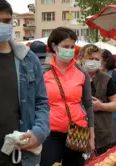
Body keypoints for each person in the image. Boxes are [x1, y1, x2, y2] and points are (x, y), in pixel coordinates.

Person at [0, 1, 50, 165]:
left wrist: (39, 132)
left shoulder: (28, 59)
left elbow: (41, 102)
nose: (1, 25)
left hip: (22, 157)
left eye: (6, 21)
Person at [41, 27, 94, 166]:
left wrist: (91, 135)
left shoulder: (82, 72)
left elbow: (88, 104)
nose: (70, 50)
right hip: (50, 132)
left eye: (72, 47)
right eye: (66, 46)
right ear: (54, 46)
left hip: (78, 130)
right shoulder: (43, 72)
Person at [79, 44, 116, 155]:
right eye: (90, 58)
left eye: (97, 59)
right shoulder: (73, 76)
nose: (94, 61)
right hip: (78, 130)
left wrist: (100, 106)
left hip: (102, 132)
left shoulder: (106, 78)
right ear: (82, 59)